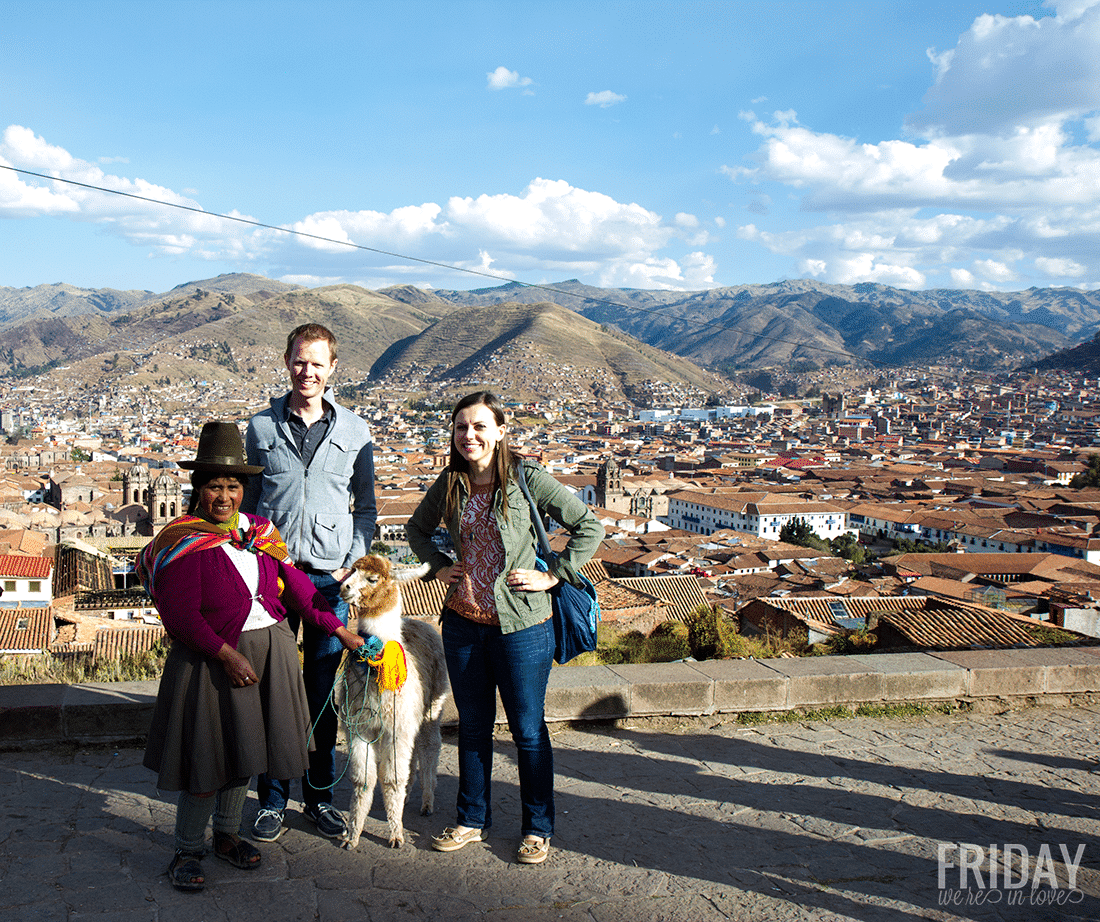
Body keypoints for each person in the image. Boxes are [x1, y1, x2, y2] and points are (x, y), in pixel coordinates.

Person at [140, 421, 365, 892]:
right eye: (214, 486)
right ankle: (187, 847)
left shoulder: (259, 532)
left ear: (245, 488)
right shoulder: (183, 542)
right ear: (198, 490)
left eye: (233, 486)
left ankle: (226, 836)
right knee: (208, 761)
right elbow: (180, 617)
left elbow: (300, 590)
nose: (224, 496)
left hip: (270, 655)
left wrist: (340, 631)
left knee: (246, 756)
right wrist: (226, 655)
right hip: (211, 662)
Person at [405, 391, 604, 865]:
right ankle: (472, 819)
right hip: (463, 624)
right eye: (460, 427)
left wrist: (554, 573)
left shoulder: (526, 478)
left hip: (523, 626)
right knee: (472, 727)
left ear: (499, 430)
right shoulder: (450, 482)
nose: (468, 435)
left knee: (528, 731)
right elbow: (416, 528)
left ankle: (538, 827)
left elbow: (588, 525)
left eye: (478, 426)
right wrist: (438, 565)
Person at [242, 322, 378, 842]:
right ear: (287, 361)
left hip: (327, 579)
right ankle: (272, 799)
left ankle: (319, 798)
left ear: (333, 368)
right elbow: (246, 507)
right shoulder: (259, 429)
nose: (308, 371)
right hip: (272, 579)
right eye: (300, 361)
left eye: (318, 363)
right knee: (273, 692)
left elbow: (365, 508)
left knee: (322, 695)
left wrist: (351, 561)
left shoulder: (355, 432)